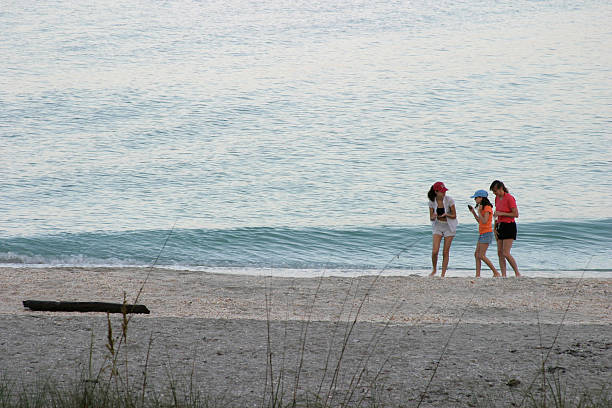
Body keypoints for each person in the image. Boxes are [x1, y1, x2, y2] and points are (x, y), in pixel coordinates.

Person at [490, 180, 521, 277]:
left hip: (509, 225)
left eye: (495, 191)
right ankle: (503, 274)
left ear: (501, 188)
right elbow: (496, 214)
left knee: (506, 252)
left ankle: (517, 273)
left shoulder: (509, 198)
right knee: (500, 252)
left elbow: (515, 214)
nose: (495, 193)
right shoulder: (497, 198)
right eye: (493, 192)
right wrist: (494, 227)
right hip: (500, 225)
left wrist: (501, 213)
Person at [468, 190, 501, 278]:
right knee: (476, 254)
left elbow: (485, 220)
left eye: (476, 197)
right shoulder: (482, 208)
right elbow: (480, 221)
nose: (475, 199)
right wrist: (474, 213)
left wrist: (479, 212)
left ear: (481, 198)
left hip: (487, 233)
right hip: (482, 232)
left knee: (481, 255)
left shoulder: (487, 208)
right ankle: (478, 275)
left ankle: (496, 272)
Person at [427, 181, 457, 277]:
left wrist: (446, 214)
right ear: (436, 191)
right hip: (438, 225)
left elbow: (454, 215)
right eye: (442, 191)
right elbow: (431, 217)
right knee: (435, 251)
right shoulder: (432, 202)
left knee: (445, 251)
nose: (444, 193)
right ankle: (434, 269)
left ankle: (443, 274)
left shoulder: (449, 200)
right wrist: (434, 216)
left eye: (444, 191)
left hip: (449, 226)